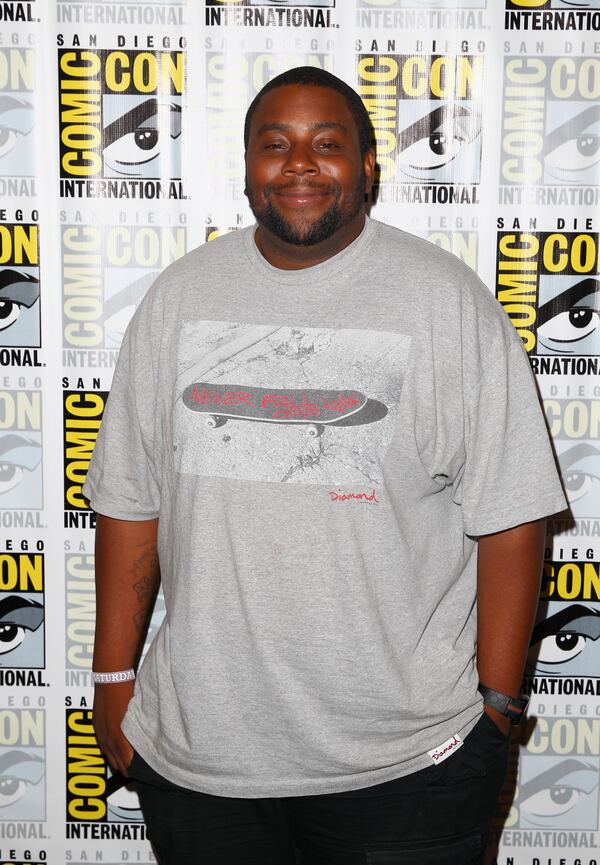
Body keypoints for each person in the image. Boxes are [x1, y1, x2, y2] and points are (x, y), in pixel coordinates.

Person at [84, 66, 567, 865]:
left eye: (327, 144)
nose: (299, 164)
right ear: (246, 168)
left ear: (369, 166)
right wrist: (110, 685)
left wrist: (497, 707)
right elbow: (130, 502)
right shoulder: (180, 298)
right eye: (274, 144)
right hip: (205, 759)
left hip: (408, 765)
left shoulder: (445, 300)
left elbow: (512, 515)